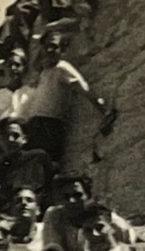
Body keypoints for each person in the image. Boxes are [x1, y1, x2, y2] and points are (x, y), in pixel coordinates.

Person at [22, 30, 116, 174]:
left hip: (50, 124)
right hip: (35, 124)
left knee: (46, 166)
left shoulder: (62, 68)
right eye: (46, 46)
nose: (49, 50)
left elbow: (83, 87)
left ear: (62, 50)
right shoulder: (45, 71)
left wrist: (102, 108)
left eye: (54, 46)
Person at [0, 117, 50, 220]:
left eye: (15, 135)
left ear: (24, 139)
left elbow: (50, 187)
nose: (10, 139)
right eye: (6, 136)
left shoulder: (38, 158)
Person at [0, 48, 33, 125]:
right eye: (9, 65)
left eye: (17, 65)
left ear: (25, 68)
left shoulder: (31, 94)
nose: (13, 68)